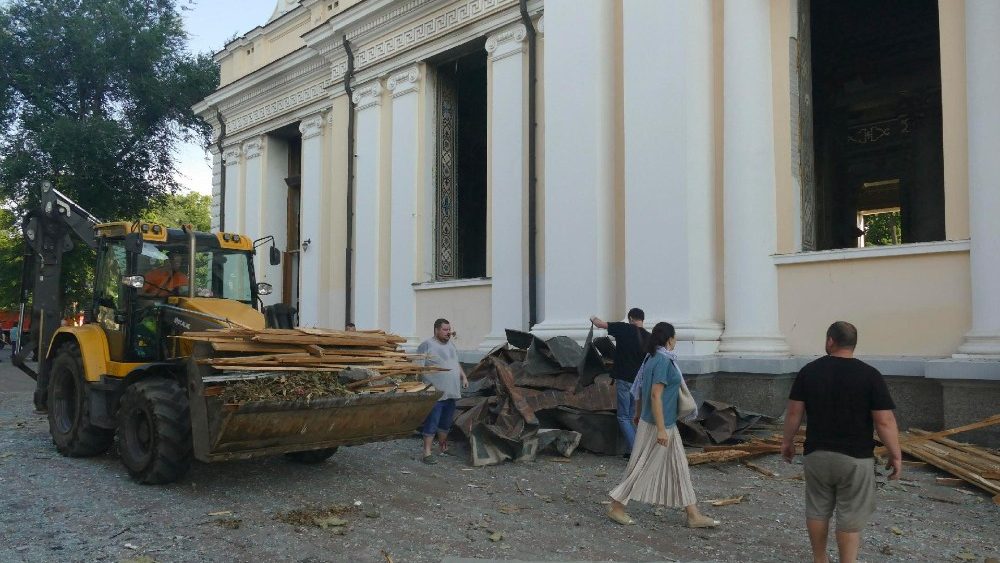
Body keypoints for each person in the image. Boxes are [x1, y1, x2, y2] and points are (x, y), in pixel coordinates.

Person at [781, 321, 902, 563]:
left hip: (817, 454)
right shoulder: (870, 375)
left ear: (830, 341)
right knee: (850, 515)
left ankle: (819, 559)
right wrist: (896, 454)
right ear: (854, 344)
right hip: (855, 458)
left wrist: (787, 441)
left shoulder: (809, 371)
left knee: (817, 509)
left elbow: (794, 412)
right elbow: (884, 421)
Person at [607, 322, 718, 528]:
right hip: (660, 425)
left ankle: (693, 515)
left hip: (662, 423)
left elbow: (640, 389)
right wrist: (660, 429)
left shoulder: (651, 358)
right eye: (674, 338)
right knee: (642, 467)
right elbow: (655, 394)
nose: (675, 342)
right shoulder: (664, 362)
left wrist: (639, 414)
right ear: (669, 340)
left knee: (679, 468)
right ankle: (617, 506)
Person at [590, 308, 649, 457]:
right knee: (630, 416)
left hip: (624, 379)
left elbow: (600, 324)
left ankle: (636, 450)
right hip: (638, 382)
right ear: (642, 319)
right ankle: (631, 450)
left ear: (630, 318)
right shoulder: (649, 337)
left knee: (623, 417)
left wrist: (592, 317)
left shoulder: (624, 328)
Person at [416, 318, 468, 464]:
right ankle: (427, 453)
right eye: (445, 330)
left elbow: (455, 363)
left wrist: (463, 377)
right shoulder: (426, 345)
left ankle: (443, 448)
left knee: (445, 424)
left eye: (449, 329)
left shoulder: (451, 344)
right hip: (435, 394)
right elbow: (418, 369)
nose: (449, 332)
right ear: (436, 330)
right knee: (432, 423)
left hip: (451, 392)